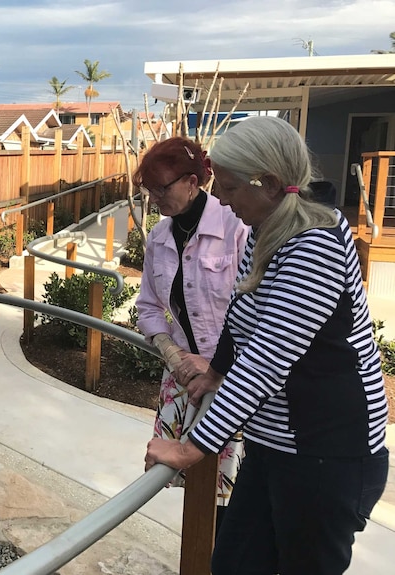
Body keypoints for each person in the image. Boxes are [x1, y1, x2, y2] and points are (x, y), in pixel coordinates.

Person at [145, 116, 389, 575]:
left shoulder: (313, 246)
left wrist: (188, 449)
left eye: (232, 188)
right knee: (235, 562)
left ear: (272, 184)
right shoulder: (268, 226)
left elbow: (265, 363)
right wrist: (215, 373)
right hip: (275, 445)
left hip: (326, 454)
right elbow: (242, 314)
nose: (220, 198)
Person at [133, 137, 249, 533]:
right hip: (183, 376)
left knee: (230, 489)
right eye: (149, 190)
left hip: (236, 379)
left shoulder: (237, 227)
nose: (154, 198)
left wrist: (217, 364)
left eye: (161, 188)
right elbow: (148, 307)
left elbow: (255, 310)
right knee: (184, 477)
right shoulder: (159, 238)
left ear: (193, 182)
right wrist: (172, 354)